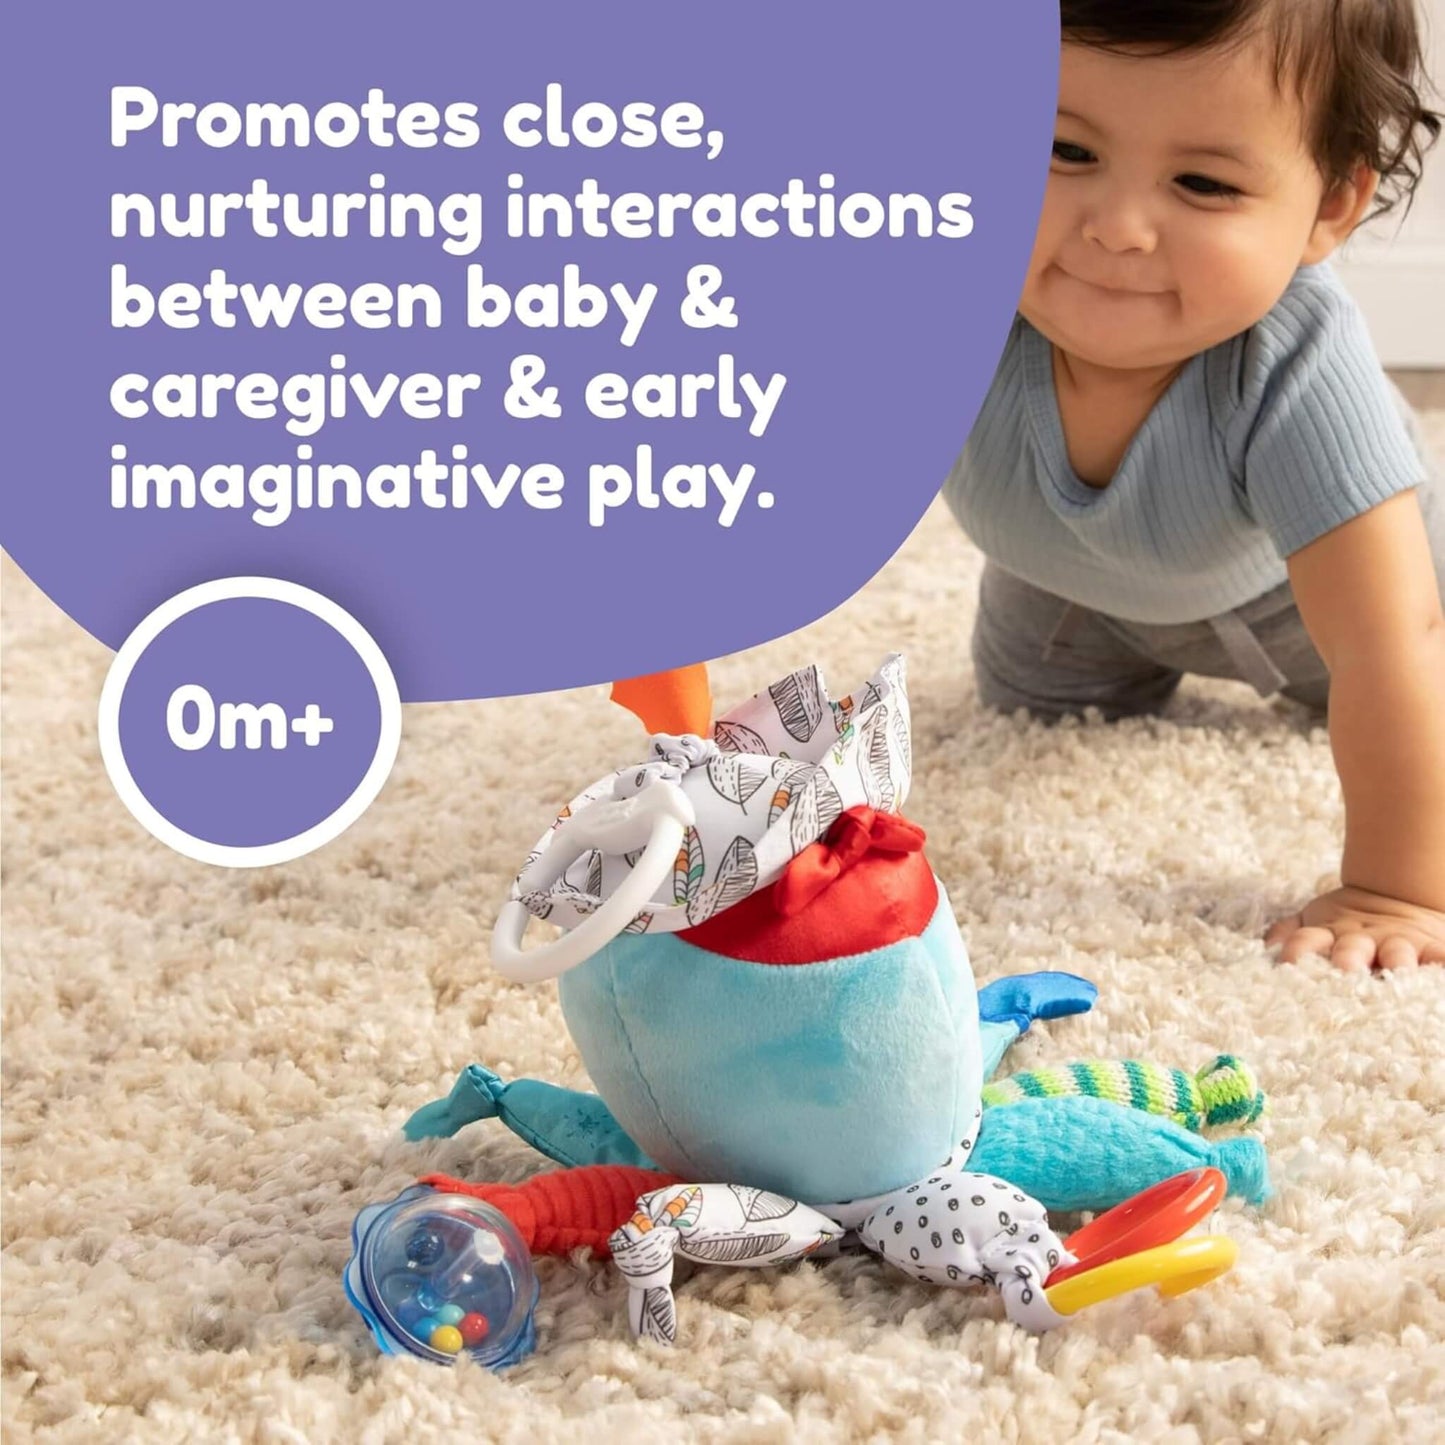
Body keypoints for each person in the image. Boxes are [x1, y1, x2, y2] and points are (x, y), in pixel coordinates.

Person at [943, 0, 1445, 967]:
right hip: (1063, 583)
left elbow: (1390, 640)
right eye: (1063, 150)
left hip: (1297, 602)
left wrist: (1395, 890)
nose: (1119, 229)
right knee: (1022, 713)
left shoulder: (1288, 356)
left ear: (1330, 207)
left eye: (1203, 182)